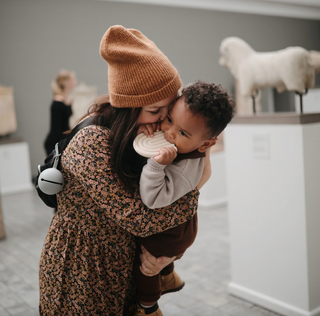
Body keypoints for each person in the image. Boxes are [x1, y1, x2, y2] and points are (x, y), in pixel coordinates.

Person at [39, 25, 204, 316]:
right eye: (155, 111)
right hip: (82, 268)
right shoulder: (91, 142)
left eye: (169, 112)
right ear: (128, 107)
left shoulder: (141, 137)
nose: (163, 123)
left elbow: (162, 202)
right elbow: (139, 218)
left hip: (123, 264)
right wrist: (194, 190)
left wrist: (167, 255)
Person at [134, 81, 235, 315]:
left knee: (145, 263)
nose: (168, 133)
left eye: (182, 133)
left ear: (207, 143)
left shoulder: (185, 168)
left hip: (172, 233)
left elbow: (152, 198)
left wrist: (156, 165)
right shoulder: (184, 144)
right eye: (169, 119)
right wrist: (146, 136)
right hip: (181, 223)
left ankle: (148, 307)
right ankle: (169, 276)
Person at [44, 69, 77, 155]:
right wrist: (63, 144)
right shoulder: (58, 102)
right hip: (56, 141)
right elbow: (57, 127)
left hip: (63, 139)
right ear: (66, 82)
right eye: (73, 79)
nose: (75, 81)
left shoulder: (67, 99)